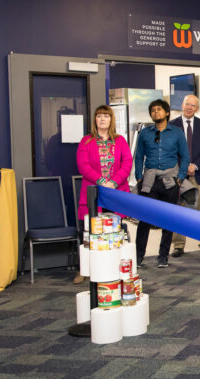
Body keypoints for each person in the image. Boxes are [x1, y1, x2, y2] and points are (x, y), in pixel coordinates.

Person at [74, 105, 133, 283]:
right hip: (93, 193)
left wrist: (113, 182)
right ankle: (85, 270)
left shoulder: (120, 141)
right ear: (95, 120)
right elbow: (83, 166)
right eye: (99, 116)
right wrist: (101, 181)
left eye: (106, 116)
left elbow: (127, 163)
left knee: (113, 232)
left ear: (111, 119)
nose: (102, 119)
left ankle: (114, 268)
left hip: (115, 193)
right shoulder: (86, 141)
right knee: (89, 233)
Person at [133, 99, 189, 269]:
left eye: (159, 110)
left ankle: (163, 256)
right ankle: (138, 256)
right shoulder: (145, 133)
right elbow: (138, 157)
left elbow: (185, 156)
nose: (155, 112)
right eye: (153, 110)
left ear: (166, 113)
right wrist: (138, 177)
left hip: (170, 181)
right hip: (149, 181)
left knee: (168, 219)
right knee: (144, 220)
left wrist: (179, 178)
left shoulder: (177, 133)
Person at [169, 94, 200, 258]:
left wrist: (195, 165)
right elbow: (170, 151)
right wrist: (184, 167)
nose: (189, 107)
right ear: (182, 105)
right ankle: (178, 245)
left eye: (193, 105)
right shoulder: (172, 125)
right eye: (187, 104)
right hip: (179, 175)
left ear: (197, 108)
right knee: (179, 210)